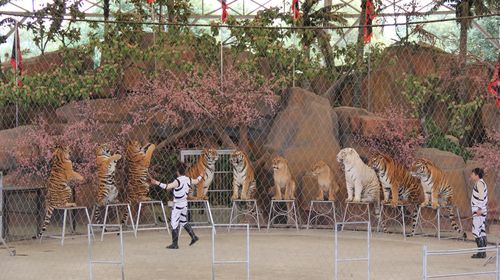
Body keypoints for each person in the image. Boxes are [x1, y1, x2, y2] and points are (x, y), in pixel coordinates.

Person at [150, 162, 204, 249]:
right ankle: (193, 237)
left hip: (178, 205)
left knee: (174, 223)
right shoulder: (188, 179)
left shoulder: (177, 181)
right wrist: (201, 175)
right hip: (184, 204)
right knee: (183, 221)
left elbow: (167, 187)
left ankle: (175, 244)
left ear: (177, 172)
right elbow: (197, 181)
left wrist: (156, 182)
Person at [470, 167, 488, 259]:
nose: (471, 176)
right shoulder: (481, 183)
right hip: (481, 210)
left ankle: (481, 253)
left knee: (476, 231)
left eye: (472, 174)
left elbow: (481, 197)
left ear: (477, 175)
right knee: (482, 231)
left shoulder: (479, 183)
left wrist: (479, 209)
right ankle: (483, 252)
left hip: (479, 210)